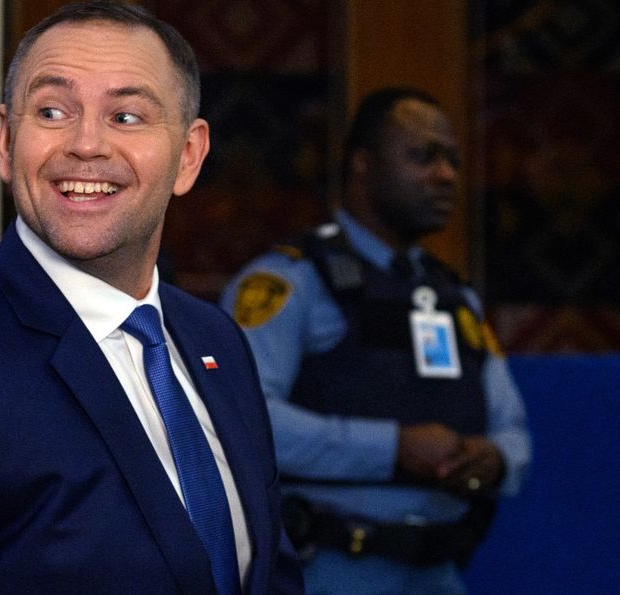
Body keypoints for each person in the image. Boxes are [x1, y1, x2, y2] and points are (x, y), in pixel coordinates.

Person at [0, 0, 303, 594]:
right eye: (52, 111)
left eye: (126, 116)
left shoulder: (217, 340)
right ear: (6, 142)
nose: (86, 144)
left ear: (189, 157)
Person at [220, 87, 531, 594]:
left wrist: (492, 459)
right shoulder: (292, 281)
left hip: (440, 573)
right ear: (362, 164)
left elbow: (513, 429)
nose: (447, 175)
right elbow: (241, 424)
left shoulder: (454, 297)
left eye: (452, 160)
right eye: (423, 156)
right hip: (328, 570)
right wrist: (392, 448)